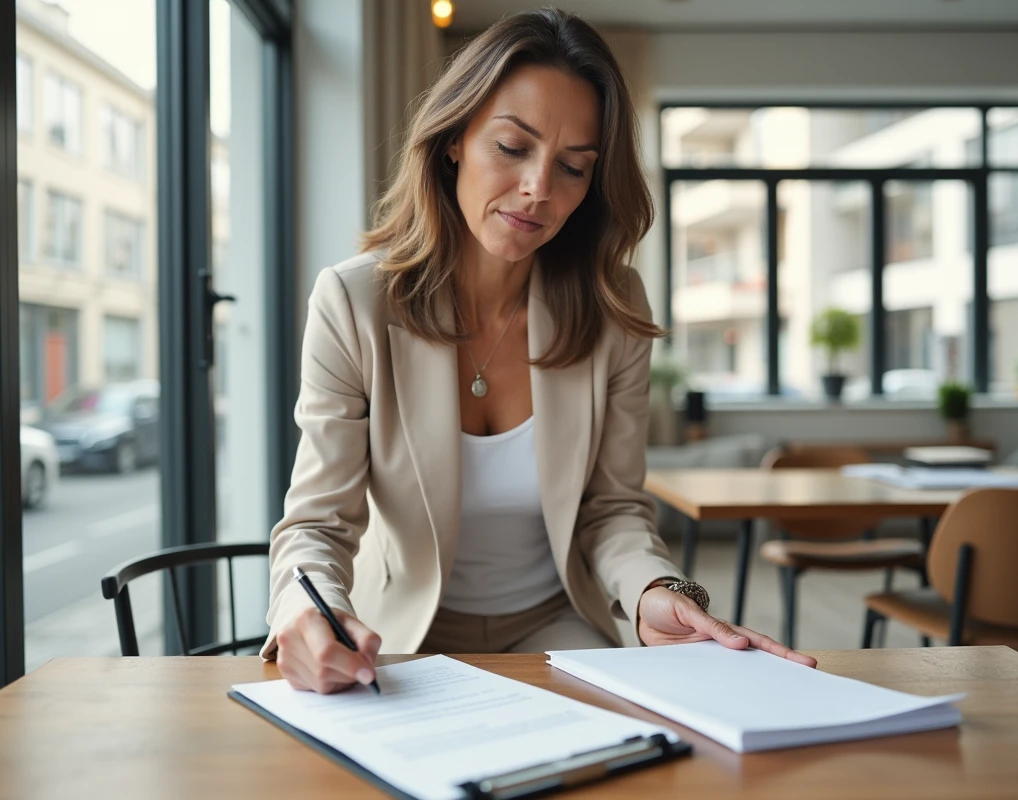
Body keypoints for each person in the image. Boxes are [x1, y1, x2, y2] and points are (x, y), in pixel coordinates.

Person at [263, 7, 817, 694]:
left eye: (574, 168)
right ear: (455, 139)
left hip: (553, 624)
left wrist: (653, 592)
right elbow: (318, 521)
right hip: (400, 632)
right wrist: (305, 609)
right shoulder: (354, 303)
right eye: (513, 147)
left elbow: (612, 508)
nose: (538, 190)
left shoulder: (613, 308)